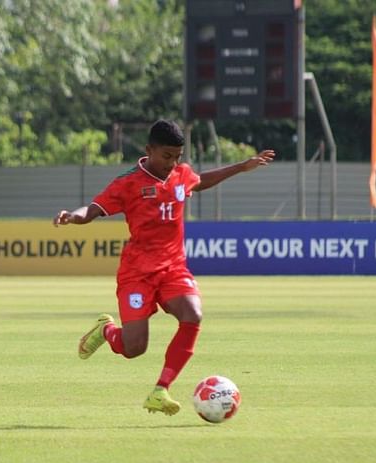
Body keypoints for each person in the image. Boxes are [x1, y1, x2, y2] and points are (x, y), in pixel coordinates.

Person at [53, 119, 274, 416]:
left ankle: (160, 390)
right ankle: (106, 331)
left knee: (193, 314)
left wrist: (240, 167)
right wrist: (73, 217)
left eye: (177, 157)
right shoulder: (128, 183)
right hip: (137, 274)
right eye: (166, 156)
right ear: (149, 150)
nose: (173, 163)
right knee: (134, 348)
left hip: (173, 268)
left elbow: (201, 180)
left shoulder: (181, 174)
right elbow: (92, 210)